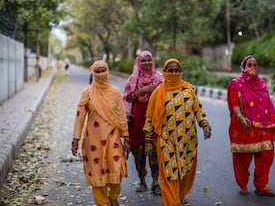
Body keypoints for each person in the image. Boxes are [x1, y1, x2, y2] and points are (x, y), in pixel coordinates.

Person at [143, 58, 212, 206]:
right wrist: (148, 140)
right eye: (170, 70)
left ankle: (180, 195)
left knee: (185, 171)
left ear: (180, 71)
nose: (173, 73)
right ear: (165, 72)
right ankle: (172, 202)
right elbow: (150, 117)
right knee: (170, 174)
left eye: (176, 70)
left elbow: (198, 110)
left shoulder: (189, 89)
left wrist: (205, 125)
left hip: (188, 140)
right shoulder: (158, 92)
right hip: (166, 140)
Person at [226, 55, 275, 197]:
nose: (252, 67)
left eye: (255, 64)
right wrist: (241, 117)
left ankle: (261, 185)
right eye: (249, 65)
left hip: (264, 126)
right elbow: (234, 104)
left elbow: (267, 105)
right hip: (245, 125)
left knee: (266, 155)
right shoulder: (235, 84)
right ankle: (243, 185)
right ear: (243, 67)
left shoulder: (262, 84)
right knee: (243, 157)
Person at [71, 60, 130, 206]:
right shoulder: (88, 92)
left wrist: (126, 136)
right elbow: (80, 117)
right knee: (97, 171)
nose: (100, 74)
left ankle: (113, 197)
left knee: (115, 167)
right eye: (97, 71)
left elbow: (121, 115)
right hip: (94, 140)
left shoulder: (115, 92)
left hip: (113, 137)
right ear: (93, 73)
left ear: (108, 71)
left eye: (103, 70)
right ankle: (102, 202)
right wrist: (76, 139)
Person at [123, 50, 163, 195]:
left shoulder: (159, 78)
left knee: (155, 153)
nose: (147, 63)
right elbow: (128, 98)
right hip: (138, 120)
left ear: (153, 61)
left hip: (155, 120)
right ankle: (142, 180)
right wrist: (143, 90)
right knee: (138, 153)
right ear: (139, 62)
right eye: (144, 60)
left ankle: (155, 181)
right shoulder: (134, 78)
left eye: (149, 60)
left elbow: (166, 95)